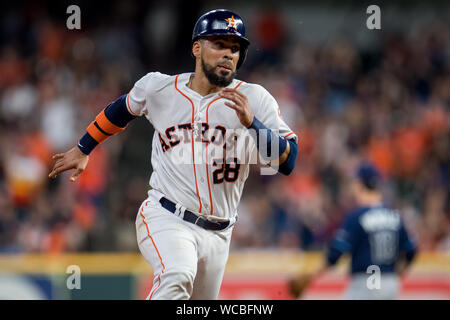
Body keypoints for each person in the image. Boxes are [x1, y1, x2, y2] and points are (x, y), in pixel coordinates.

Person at [48, 9, 298, 300]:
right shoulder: (160, 88)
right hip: (167, 216)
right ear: (196, 48)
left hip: (220, 232)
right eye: (219, 44)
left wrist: (252, 124)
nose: (229, 54)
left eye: (235, 48)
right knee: (176, 275)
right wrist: (83, 148)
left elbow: (288, 162)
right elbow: (122, 109)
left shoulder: (255, 98)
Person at [288, 162, 417, 300]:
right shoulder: (394, 215)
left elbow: (336, 253)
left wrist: (311, 276)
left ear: (361, 184)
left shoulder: (357, 217)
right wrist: (393, 275)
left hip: (365, 283)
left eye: (355, 182)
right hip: (391, 284)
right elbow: (411, 251)